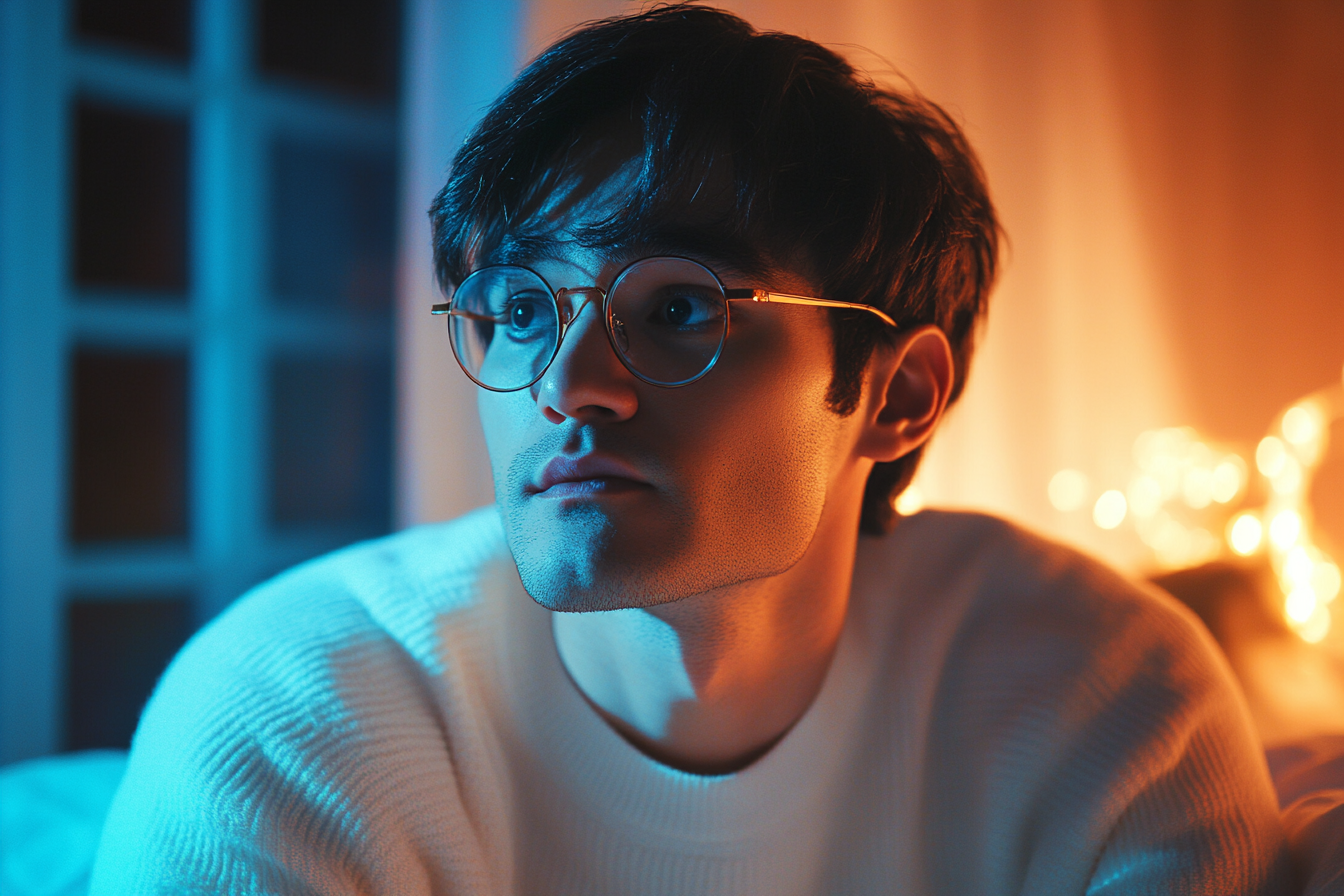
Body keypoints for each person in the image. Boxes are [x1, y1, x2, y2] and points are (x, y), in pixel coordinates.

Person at [91, 6, 1293, 894]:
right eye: (520, 310)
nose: (566, 384)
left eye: (679, 309)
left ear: (897, 392)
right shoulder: (298, 708)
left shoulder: (1105, 698)